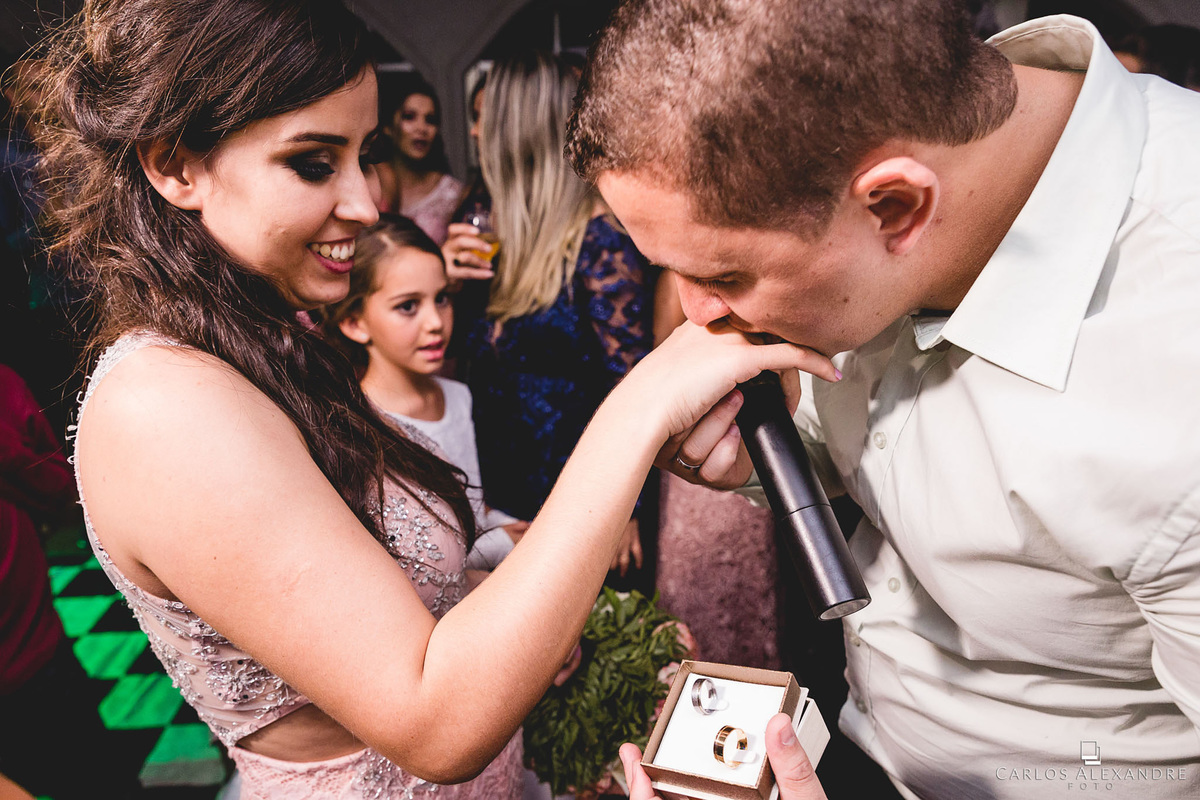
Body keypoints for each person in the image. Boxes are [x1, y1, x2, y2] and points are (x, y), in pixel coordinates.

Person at [28, 0, 835, 797]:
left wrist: (505, 610)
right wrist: (639, 403)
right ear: (175, 166)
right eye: (313, 163)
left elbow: (354, 614)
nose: (367, 203)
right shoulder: (160, 406)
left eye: (363, 154)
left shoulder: (271, 344)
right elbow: (433, 722)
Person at [566, 1, 1200, 798]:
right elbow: (896, 447)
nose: (696, 317)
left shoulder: (1180, 375)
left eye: (724, 277)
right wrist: (759, 467)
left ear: (895, 208)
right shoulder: (903, 184)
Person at [443, 52, 657, 580]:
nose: (474, 131)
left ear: (513, 128)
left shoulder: (601, 242)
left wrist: (623, 511)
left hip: (573, 506)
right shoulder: (481, 222)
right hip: (491, 496)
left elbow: (632, 393)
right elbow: (449, 359)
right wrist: (442, 285)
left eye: (484, 117)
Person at [321, 214, 528, 571]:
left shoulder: (458, 397)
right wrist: (499, 544)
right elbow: (406, 562)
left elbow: (471, 508)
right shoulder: (357, 425)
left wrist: (518, 529)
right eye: (408, 306)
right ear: (355, 322)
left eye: (442, 298)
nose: (435, 322)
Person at [376, 79, 463, 244]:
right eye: (409, 117)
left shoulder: (450, 193)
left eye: (430, 120)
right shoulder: (374, 181)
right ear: (388, 127)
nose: (421, 128)